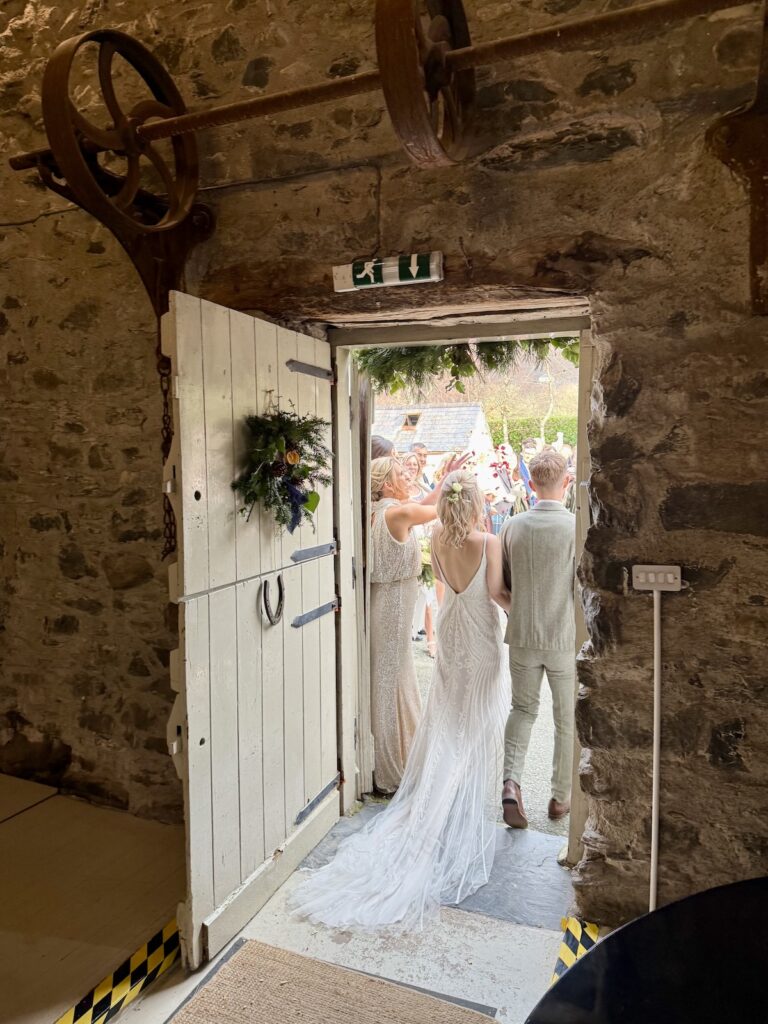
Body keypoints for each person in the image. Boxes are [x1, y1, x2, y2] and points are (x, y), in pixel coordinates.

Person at [288, 470, 511, 932]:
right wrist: (521, 605)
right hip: (481, 639)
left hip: (451, 635)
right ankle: (456, 802)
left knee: (449, 719)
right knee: (477, 721)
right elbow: (494, 594)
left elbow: (445, 591)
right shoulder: (488, 541)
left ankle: (436, 797)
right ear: (474, 505)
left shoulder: (434, 538)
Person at [366, 454, 466, 794]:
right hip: (394, 605)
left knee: (390, 678)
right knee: (392, 680)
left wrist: (440, 481)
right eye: (401, 473)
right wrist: (449, 479)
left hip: (383, 601)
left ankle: (390, 758)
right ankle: (390, 769)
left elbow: (422, 502)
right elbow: (438, 507)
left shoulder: (377, 513)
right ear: (387, 484)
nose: (408, 476)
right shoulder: (398, 513)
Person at [499, 450, 575, 829]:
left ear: (531, 485)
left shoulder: (511, 527)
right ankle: (561, 798)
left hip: (523, 634)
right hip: (563, 636)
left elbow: (505, 583)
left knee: (522, 711)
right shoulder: (578, 528)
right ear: (567, 482)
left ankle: (511, 782)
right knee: (566, 719)